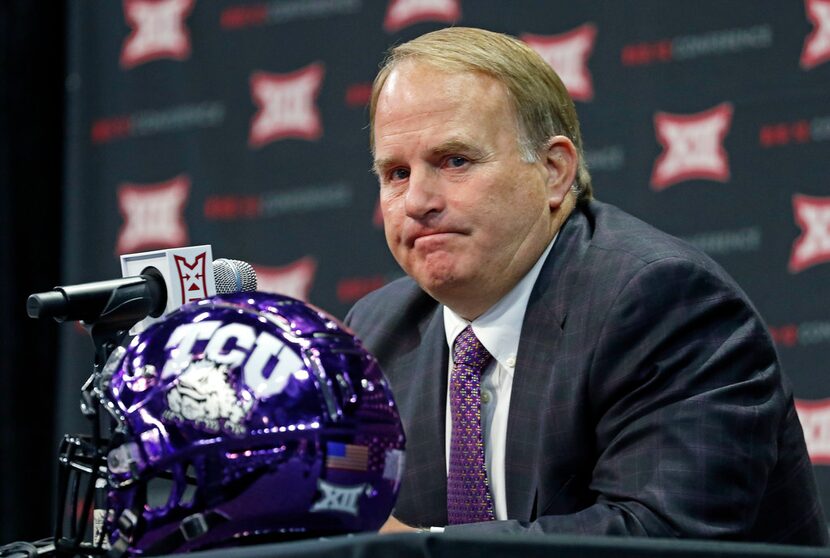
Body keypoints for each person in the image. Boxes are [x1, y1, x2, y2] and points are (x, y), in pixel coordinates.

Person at [345, 27, 827, 544]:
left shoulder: (662, 301)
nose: (418, 200)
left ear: (554, 171)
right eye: (396, 173)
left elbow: (660, 536)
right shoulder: (374, 333)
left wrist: (414, 550)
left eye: (455, 161)